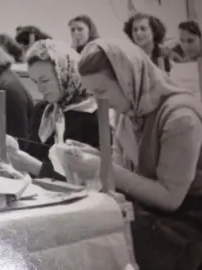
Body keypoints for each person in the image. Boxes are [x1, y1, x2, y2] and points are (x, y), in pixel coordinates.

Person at [68, 38, 202, 269]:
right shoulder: (127, 109)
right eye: (92, 93)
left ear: (127, 78)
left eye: (101, 91)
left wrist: (104, 167)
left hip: (188, 220)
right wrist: (96, 159)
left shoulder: (180, 116)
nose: (98, 101)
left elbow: (170, 198)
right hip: (153, 214)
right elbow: (122, 172)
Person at [9, 39, 99, 179]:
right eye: (35, 82)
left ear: (65, 74)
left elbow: (86, 180)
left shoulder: (93, 116)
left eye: (44, 81)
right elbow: (32, 157)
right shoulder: (43, 111)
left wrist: (33, 166)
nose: (39, 89)